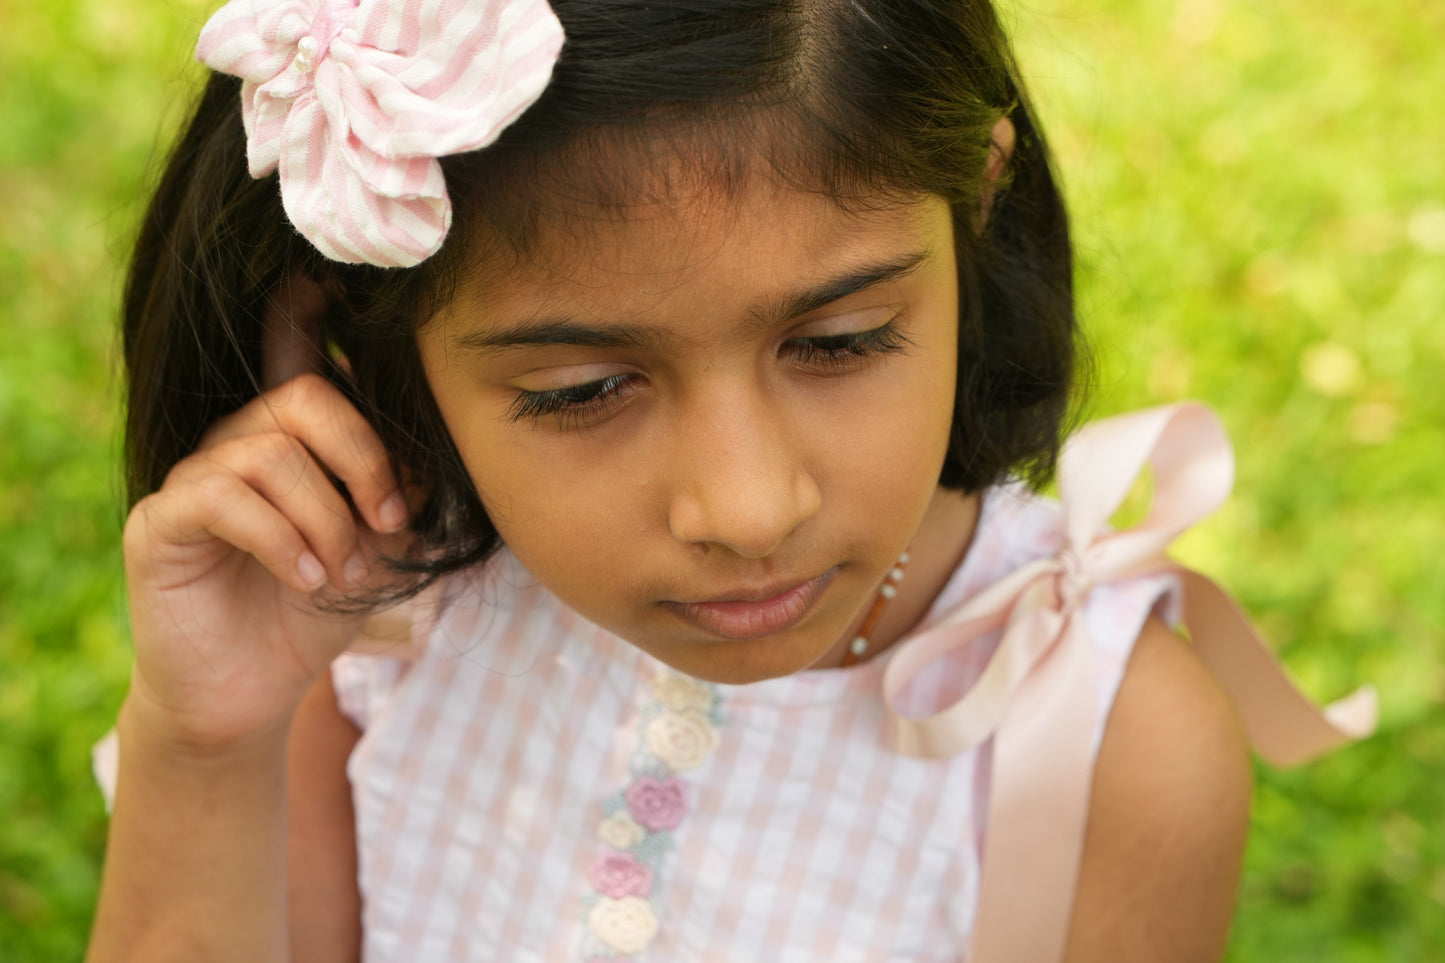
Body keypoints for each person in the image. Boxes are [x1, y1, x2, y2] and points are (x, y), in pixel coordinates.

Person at [85, 1, 1373, 961]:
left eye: (840, 342)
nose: (749, 510)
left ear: (973, 201)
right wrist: (211, 739)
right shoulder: (376, 625)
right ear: (364, 330)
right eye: (582, 392)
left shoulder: (1108, 741)